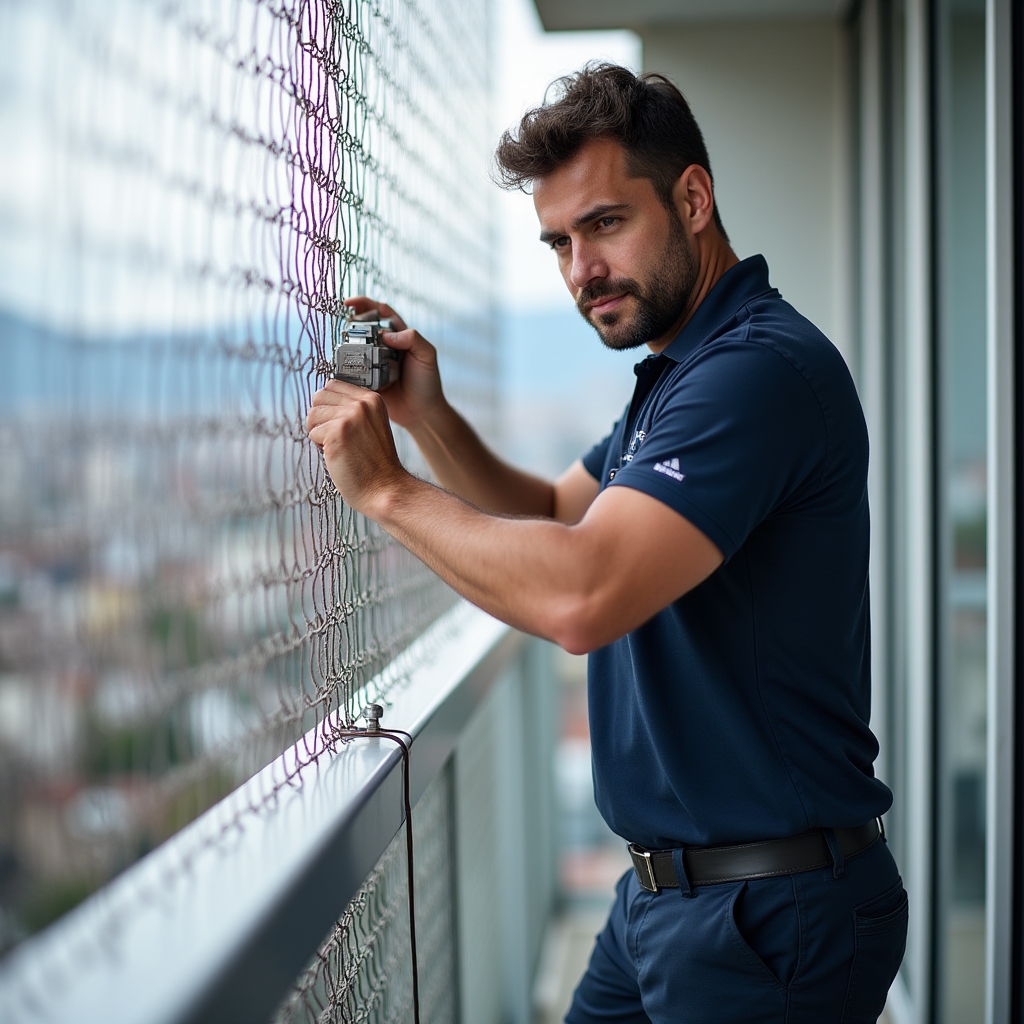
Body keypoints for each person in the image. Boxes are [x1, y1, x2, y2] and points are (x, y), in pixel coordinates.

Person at [306, 63, 907, 1024]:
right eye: (558, 242)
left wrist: (385, 490)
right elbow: (552, 512)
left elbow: (581, 595)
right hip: (668, 902)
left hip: (765, 921)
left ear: (694, 198)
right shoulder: (679, 376)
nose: (582, 269)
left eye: (605, 225)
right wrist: (430, 419)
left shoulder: (754, 374)